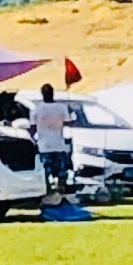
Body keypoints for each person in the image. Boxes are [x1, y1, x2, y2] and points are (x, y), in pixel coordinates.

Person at [29, 85, 77, 218]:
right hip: (59, 145)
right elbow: (69, 123)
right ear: (53, 93)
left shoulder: (37, 110)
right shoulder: (61, 108)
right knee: (62, 174)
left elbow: (32, 129)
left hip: (44, 147)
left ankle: (48, 198)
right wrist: (72, 116)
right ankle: (61, 197)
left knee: (46, 175)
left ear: (42, 94)